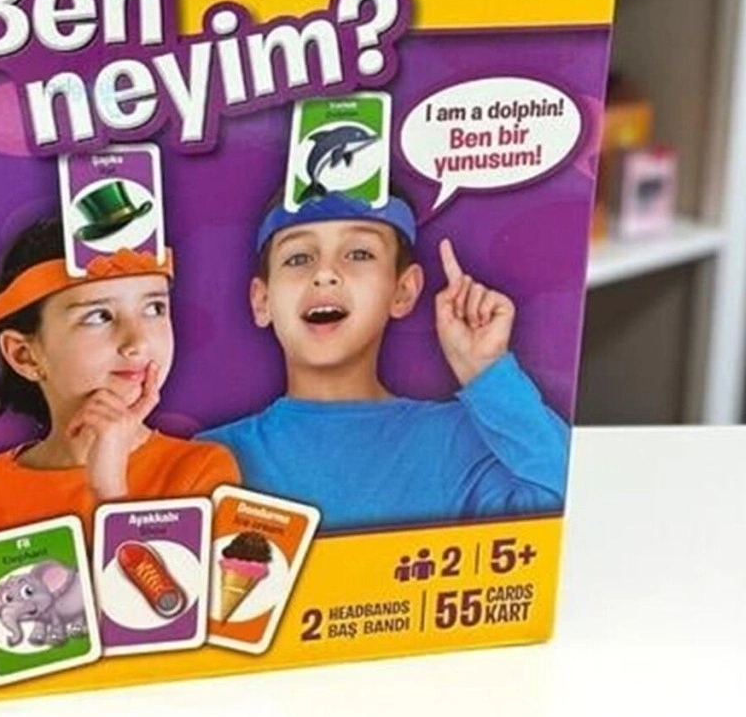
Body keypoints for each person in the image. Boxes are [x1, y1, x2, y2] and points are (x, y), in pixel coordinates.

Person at [197, 190, 569, 532]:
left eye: (359, 254)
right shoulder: (209, 457)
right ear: (262, 300)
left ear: (403, 290)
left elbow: (558, 501)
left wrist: (485, 368)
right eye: (299, 258)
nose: (324, 274)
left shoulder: (455, 438)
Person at [0, 218, 239, 570]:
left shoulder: (199, 471)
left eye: (154, 308)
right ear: (25, 355)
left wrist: (110, 490)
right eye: (99, 316)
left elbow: (172, 601)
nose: (137, 342)